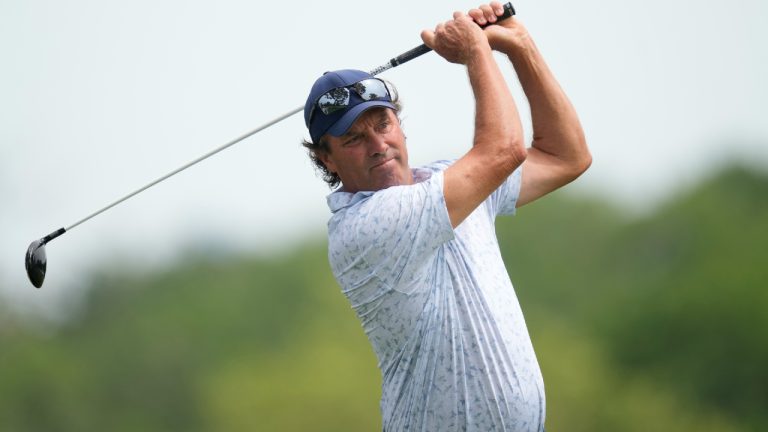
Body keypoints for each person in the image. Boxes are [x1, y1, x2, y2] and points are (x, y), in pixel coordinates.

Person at [301, 2, 590, 431]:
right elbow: (505, 150)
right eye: (353, 139)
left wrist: (520, 47)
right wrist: (477, 52)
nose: (378, 144)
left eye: (382, 123)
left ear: (400, 124)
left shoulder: (445, 183)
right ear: (327, 161)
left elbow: (566, 156)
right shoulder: (366, 227)